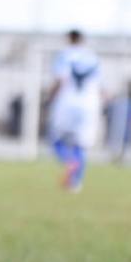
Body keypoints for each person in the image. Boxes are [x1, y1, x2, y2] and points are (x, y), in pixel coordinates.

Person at [48, 29, 102, 192]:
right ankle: (76, 183)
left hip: (67, 102)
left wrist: (49, 97)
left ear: (69, 39)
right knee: (81, 145)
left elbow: (60, 79)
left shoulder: (65, 55)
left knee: (56, 140)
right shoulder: (93, 57)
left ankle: (68, 161)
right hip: (90, 104)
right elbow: (100, 84)